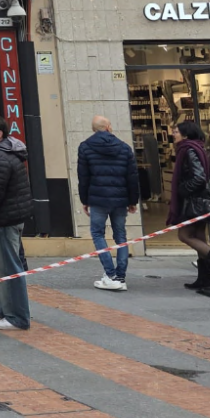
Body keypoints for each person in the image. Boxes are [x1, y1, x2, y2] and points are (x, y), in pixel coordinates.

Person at [0, 114, 33, 330]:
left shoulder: (0, 157)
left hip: (4, 221)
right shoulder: (4, 153)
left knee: (8, 268)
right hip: (3, 220)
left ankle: (17, 317)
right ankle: (4, 309)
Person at [76, 115, 140, 292]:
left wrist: (85, 200)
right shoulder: (124, 148)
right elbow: (132, 177)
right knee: (120, 235)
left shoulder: (86, 147)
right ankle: (120, 276)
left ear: (94, 129)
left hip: (97, 198)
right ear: (109, 127)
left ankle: (110, 274)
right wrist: (133, 200)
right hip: (120, 199)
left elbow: (83, 177)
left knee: (98, 233)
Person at [169, 121, 210, 290]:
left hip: (193, 201)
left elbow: (199, 177)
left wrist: (182, 189)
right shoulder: (198, 147)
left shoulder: (188, 149)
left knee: (184, 235)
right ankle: (205, 279)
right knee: (199, 236)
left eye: (176, 132)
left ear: (185, 134)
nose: (173, 134)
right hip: (200, 200)